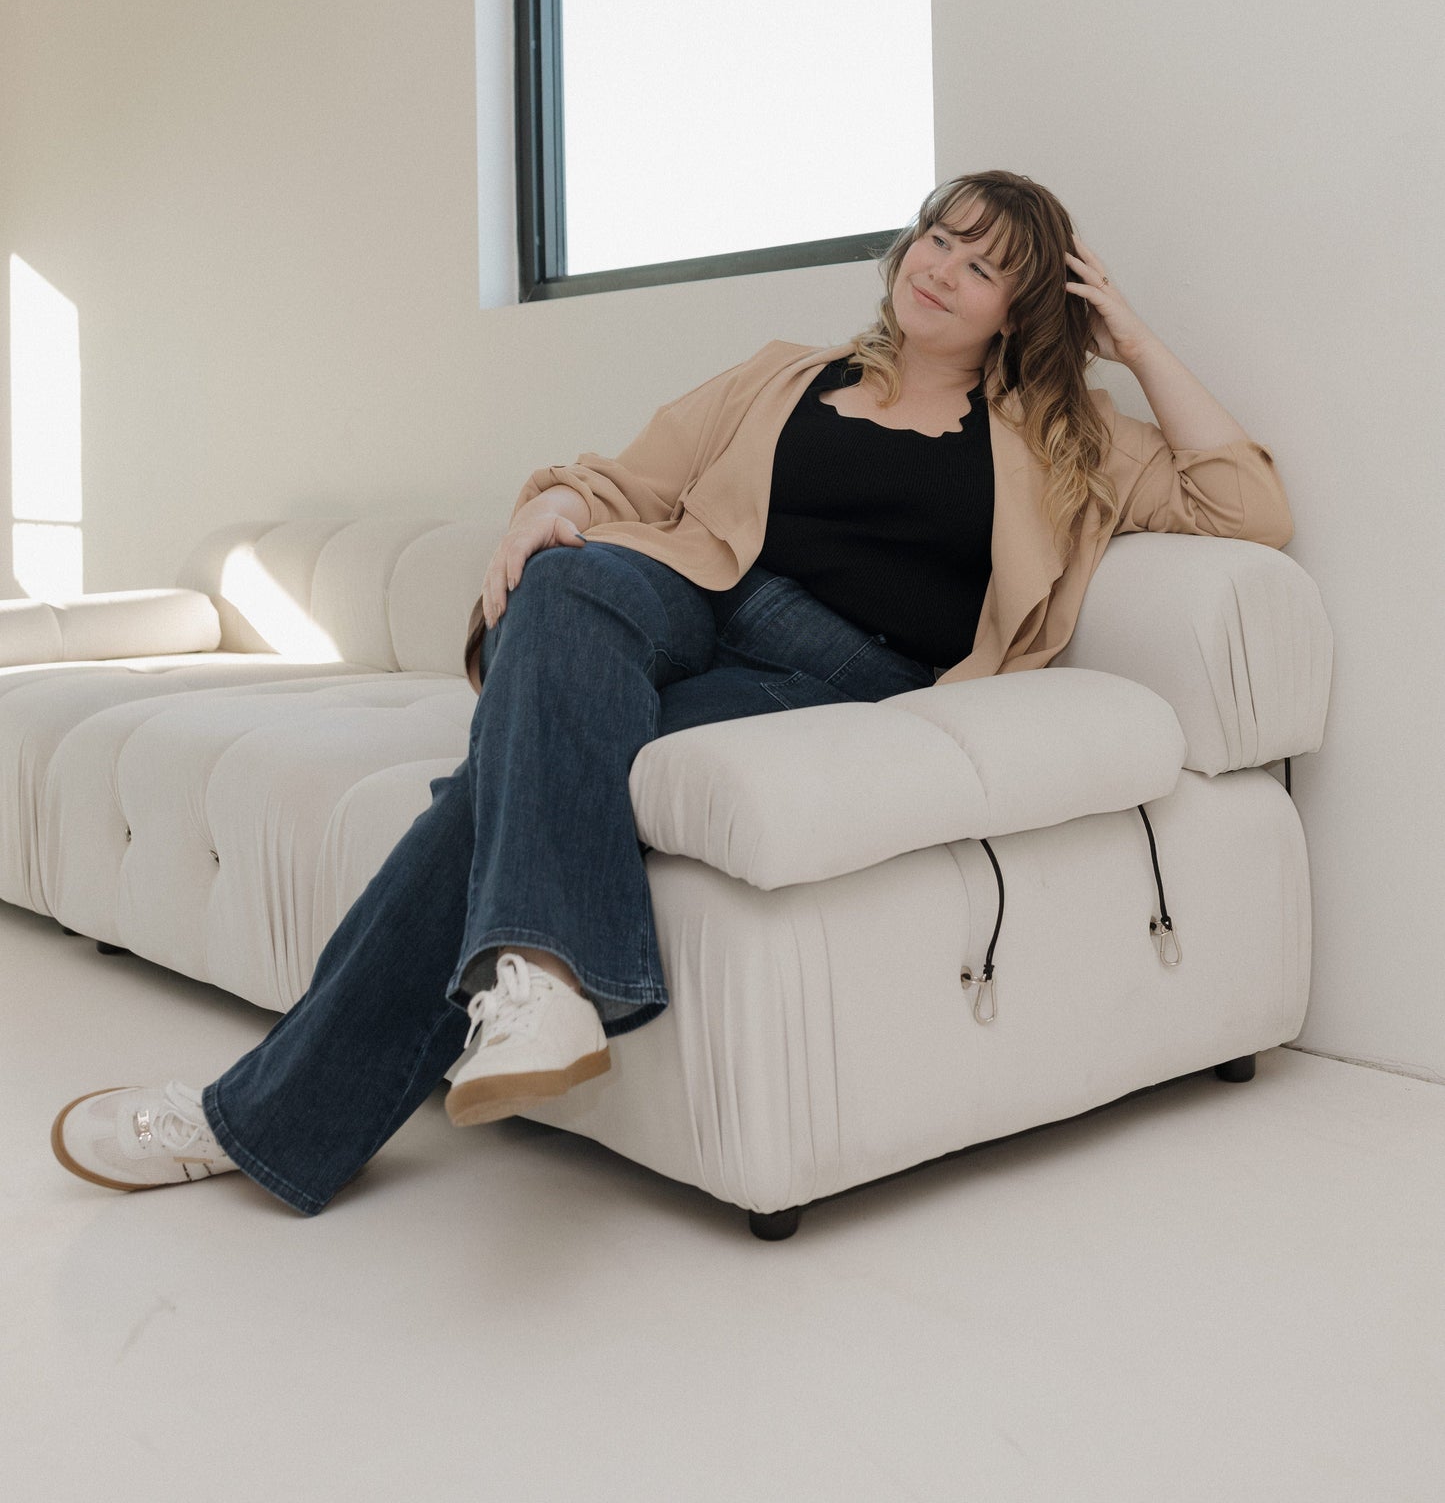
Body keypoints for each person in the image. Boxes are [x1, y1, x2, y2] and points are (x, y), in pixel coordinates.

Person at [50, 169, 1293, 1210]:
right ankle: (536, 987)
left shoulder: (1060, 432)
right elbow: (620, 480)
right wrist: (555, 501)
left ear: (1020, 310)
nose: (940, 264)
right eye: (938, 234)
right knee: (571, 575)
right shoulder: (780, 377)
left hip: (839, 671)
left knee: (498, 786)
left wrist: (1127, 337)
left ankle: (272, 1106)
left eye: (980, 265)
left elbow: (1247, 506)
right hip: (690, 592)